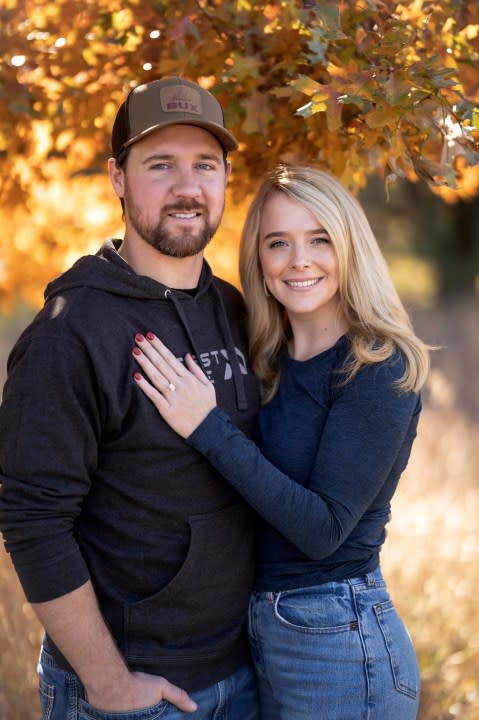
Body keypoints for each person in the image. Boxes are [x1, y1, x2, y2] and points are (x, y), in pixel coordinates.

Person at [0, 77, 261, 720]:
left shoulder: (234, 308)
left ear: (226, 177)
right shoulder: (72, 329)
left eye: (205, 165)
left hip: (244, 670)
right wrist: (110, 684)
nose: (186, 187)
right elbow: (32, 521)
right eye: (159, 165)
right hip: (135, 690)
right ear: (117, 178)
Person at [129, 165, 430, 720]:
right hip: (261, 635)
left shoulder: (378, 367)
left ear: (349, 246)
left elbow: (322, 530)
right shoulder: (265, 361)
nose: (299, 261)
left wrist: (207, 427)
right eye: (278, 243)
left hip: (340, 643)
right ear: (259, 260)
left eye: (320, 240)